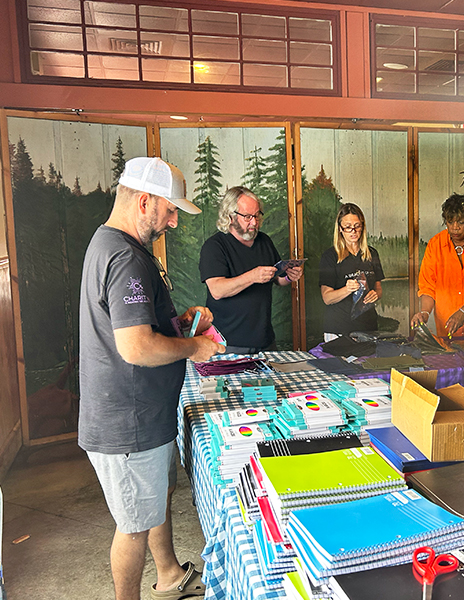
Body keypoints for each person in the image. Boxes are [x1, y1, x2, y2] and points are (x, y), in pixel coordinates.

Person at [79, 156, 225, 600]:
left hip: (142, 415)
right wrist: (194, 347)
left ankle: (168, 576)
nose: (174, 221)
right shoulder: (125, 257)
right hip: (130, 422)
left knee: (153, 501)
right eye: (169, 210)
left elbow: (135, 326)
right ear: (144, 202)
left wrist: (178, 324)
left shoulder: (115, 246)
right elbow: (135, 346)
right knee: (134, 525)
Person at [199, 186, 303, 353]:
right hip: (227, 344)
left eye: (256, 215)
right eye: (247, 217)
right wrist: (253, 276)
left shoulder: (264, 241)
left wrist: (290, 276)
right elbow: (217, 290)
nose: (254, 222)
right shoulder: (214, 246)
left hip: (265, 341)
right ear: (230, 216)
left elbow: (278, 279)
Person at [410, 194, 464, 337]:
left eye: (461, 222)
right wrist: (425, 313)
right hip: (447, 327)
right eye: (450, 222)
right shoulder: (435, 244)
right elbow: (428, 287)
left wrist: (463, 312)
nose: (455, 228)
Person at [319, 203, 384, 340]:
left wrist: (375, 294)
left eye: (357, 226)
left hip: (369, 327)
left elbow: (378, 288)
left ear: (362, 227)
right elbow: (327, 298)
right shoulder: (330, 256)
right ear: (340, 229)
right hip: (338, 329)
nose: (353, 231)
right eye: (348, 227)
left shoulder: (372, 253)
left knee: (369, 362)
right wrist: (347, 289)